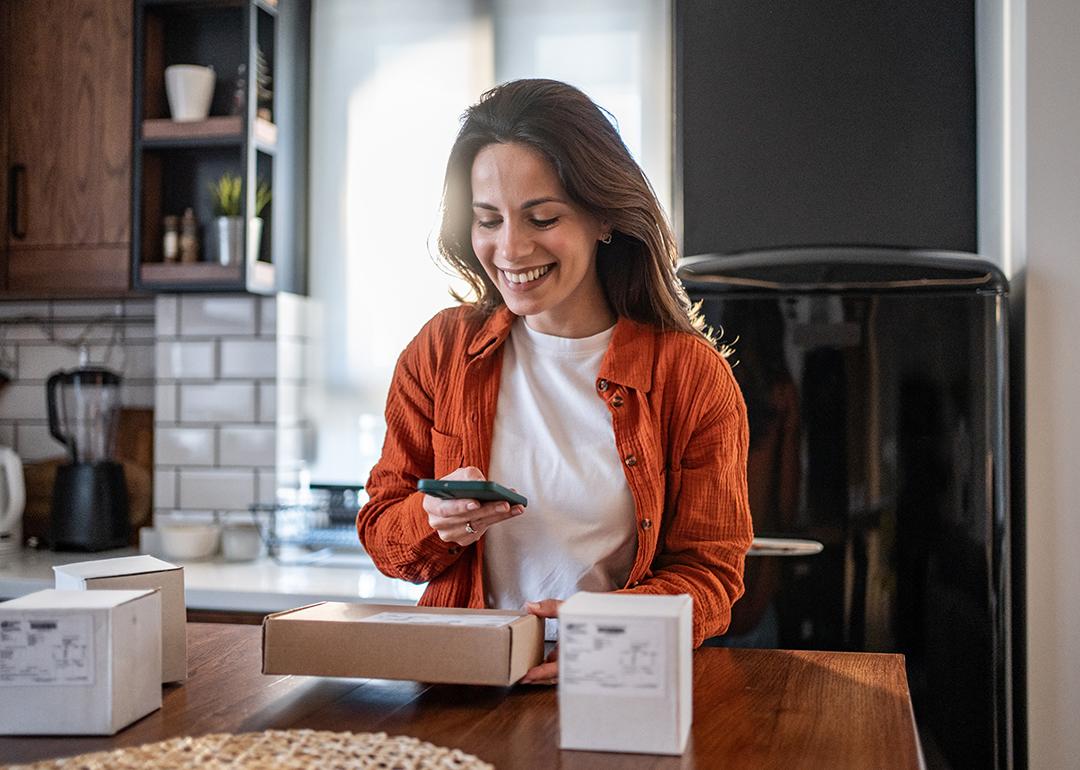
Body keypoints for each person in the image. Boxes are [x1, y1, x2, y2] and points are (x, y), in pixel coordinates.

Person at [357, 79, 752, 685]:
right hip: (460, 688)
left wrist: (606, 633)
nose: (510, 249)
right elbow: (384, 534)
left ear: (603, 217)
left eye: (542, 218)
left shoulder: (691, 377)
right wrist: (432, 518)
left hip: (612, 683)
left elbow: (711, 574)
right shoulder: (440, 351)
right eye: (488, 220)